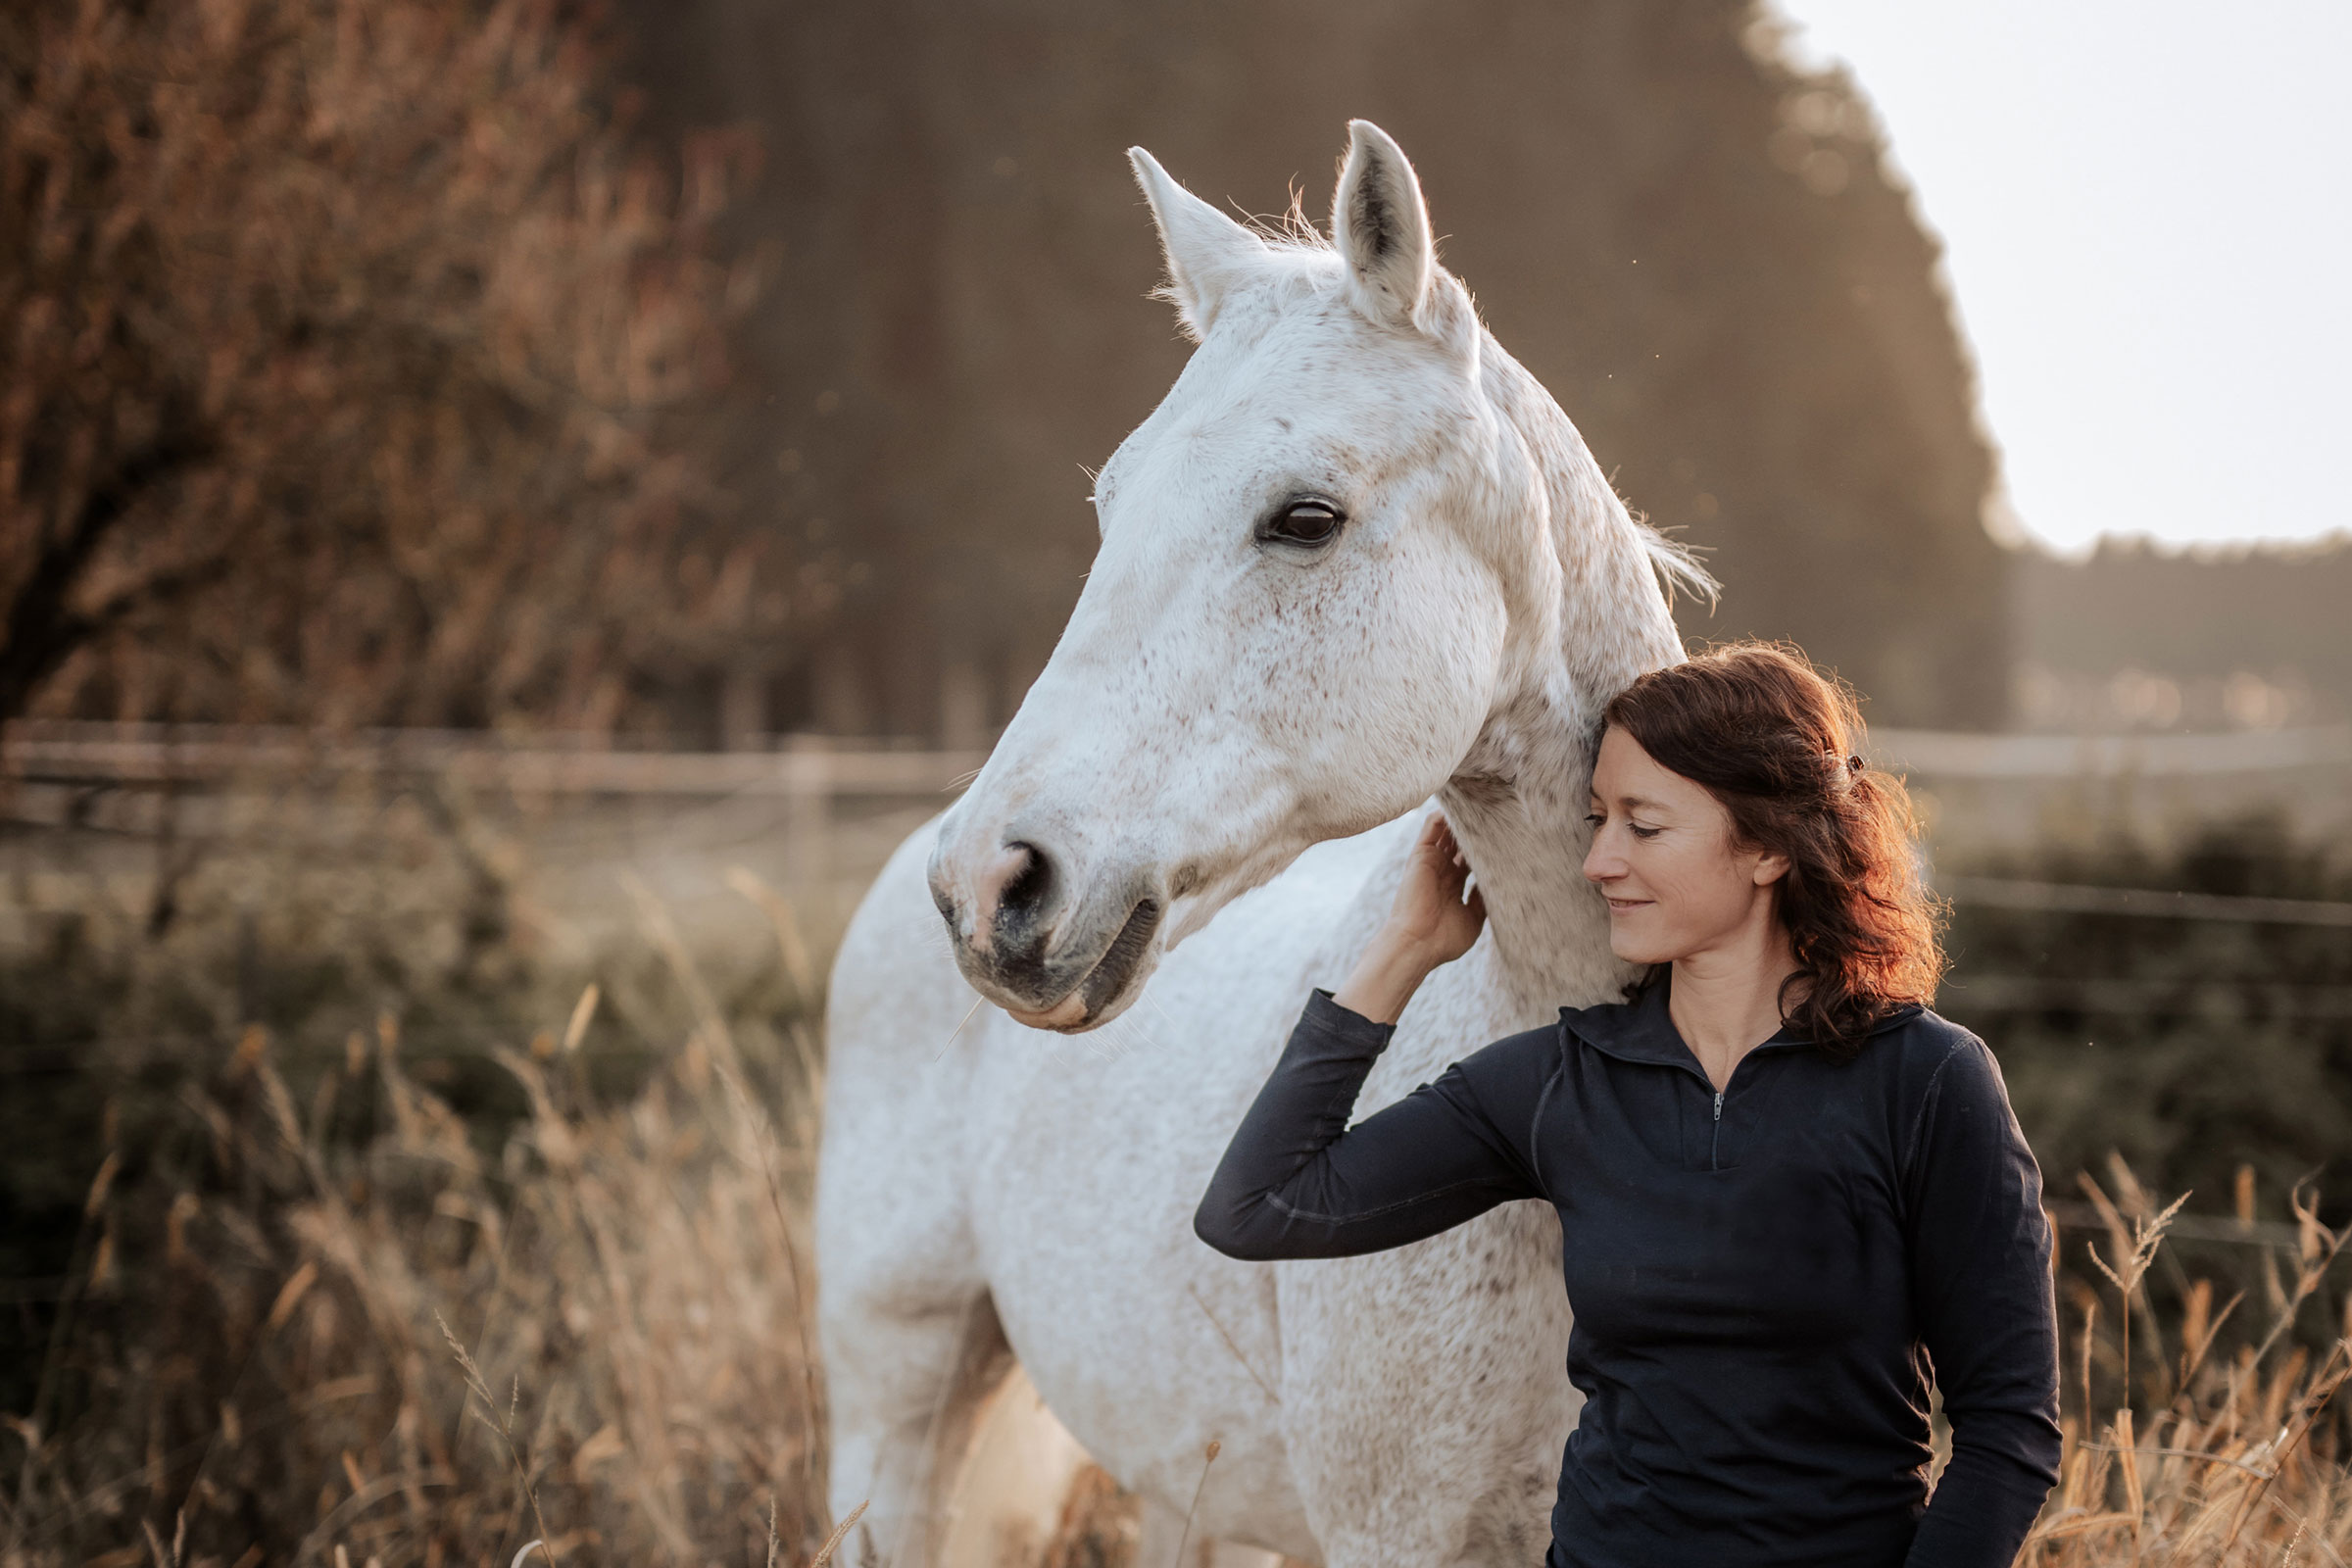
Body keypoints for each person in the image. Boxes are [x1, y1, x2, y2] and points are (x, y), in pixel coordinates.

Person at [1194, 643, 2062, 1568]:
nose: (1598, 860)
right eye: (1598, 819)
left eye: (1644, 827)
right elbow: (1257, 1206)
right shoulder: (1564, 1081)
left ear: (1768, 846)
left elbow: (2010, 1427)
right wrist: (1403, 946)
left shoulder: (1925, 1082)